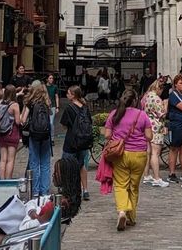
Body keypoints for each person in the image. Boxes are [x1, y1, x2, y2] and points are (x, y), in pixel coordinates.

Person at [0, 157, 82, 250]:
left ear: (65, 176)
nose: (53, 174)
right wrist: (33, 211)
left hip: (20, 239)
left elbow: (28, 226)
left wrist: (32, 211)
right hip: (19, 232)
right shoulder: (63, 200)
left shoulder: (56, 205)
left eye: (56, 172)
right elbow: (32, 204)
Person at [104, 89, 153, 231]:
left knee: (120, 184)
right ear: (136, 100)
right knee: (134, 186)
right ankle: (131, 218)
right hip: (139, 154)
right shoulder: (142, 115)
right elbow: (149, 137)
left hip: (120, 155)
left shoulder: (114, 114)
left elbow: (107, 135)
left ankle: (122, 211)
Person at [60, 85, 92, 200]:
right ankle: (85, 190)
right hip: (83, 141)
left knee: (68, 165)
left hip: (71, 142)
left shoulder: (69, 108)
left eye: (68, 93)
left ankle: (70, 191)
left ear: (73, 95)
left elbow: (64, 125)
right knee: (82, 165)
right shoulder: (85, 107)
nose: (67, 94)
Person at [21, 84, 52, 197]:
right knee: (45, 164)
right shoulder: (47, 104)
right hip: (45, 136)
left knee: (34, 163)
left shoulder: (31, 103)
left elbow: (23, 120)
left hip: (34, 135)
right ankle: (44, 192)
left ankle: (35, 192)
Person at [141, 78, 169, 187]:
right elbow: (162, 113)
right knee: (155, 153)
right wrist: (165, 104)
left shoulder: (146, 96)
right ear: (159, 89)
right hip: (156, 128)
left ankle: (146, 175)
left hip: (147, 127)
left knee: (148, 152)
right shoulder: (156, 98)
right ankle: (157, 178)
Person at [166, 73, 182, 183]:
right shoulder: (173, 95)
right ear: (175, 84)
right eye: (180, 83)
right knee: (174, 148)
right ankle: (171, 173)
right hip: (176, 125)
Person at [0, 84, 21, 179]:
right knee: (10, 160)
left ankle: (2, 180)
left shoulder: (0, 103)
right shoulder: (15, 105)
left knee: (3, 159)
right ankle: (8, 180)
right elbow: (18, 122)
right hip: (12, 133)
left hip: (1, 133)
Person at [45, 73, 60, 144]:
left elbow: (56, 97)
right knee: (45, 122)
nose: (51, 80)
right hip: (45, 106)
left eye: (52, 78)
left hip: (53, 106)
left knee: (51, 122)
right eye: (50, 78)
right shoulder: (44, 87)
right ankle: (46, 137)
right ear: (47, 79)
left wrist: (57, 107)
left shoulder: (55, 87)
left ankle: (52, 139)